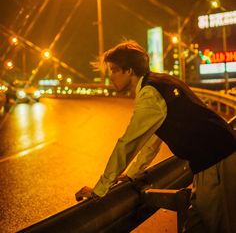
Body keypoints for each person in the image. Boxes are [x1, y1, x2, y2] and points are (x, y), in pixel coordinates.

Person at [75, 40, 236, 233]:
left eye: (113, 70)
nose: (110, 76)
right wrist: (133, 173)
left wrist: (100, 189)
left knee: (220, 227)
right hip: (210, 161)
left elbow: (128, 144)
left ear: (129, 71)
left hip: (216, 161)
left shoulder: (149, 93)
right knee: (196, 225)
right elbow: (152, 141)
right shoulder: (161, 81)